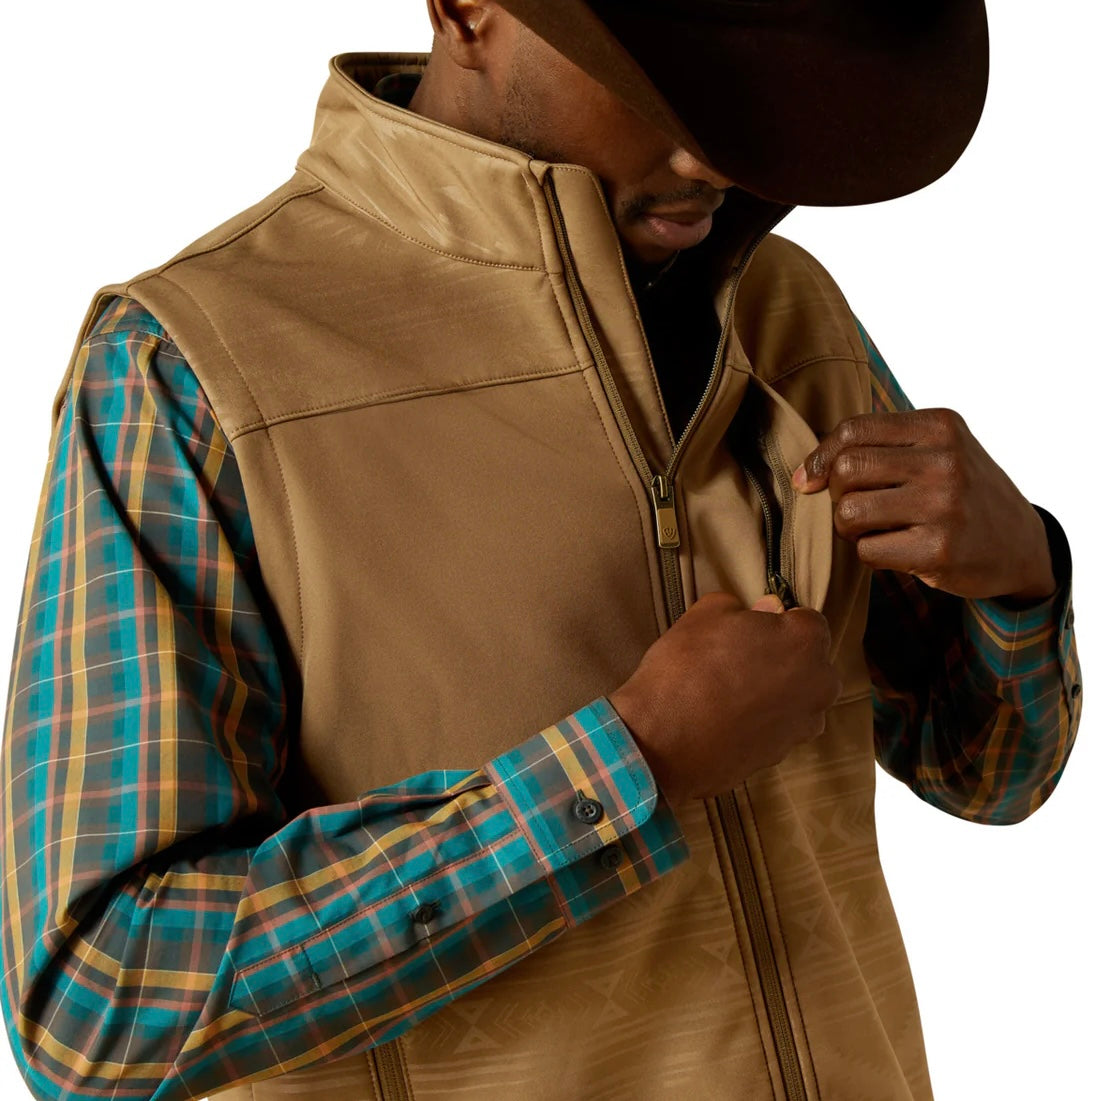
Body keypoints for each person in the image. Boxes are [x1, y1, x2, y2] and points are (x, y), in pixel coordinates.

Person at [0, 1, 1082, 1099]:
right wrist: (628, 767)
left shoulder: (782, 306)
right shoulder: (195, 370)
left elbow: (988, 772)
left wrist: (1018, 582)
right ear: (467, 9)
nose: (711, 155)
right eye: (657, 86)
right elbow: (101, 1006)